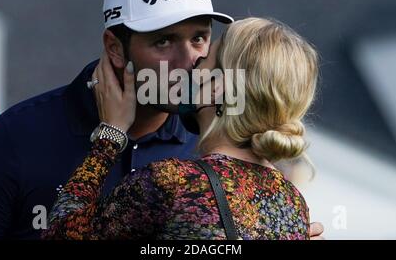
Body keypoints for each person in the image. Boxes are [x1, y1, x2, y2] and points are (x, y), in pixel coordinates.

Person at [0, 0, 323, 239]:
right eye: (164, 41)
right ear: (115, 48)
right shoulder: (12, 139)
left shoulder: (221, 144)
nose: (189, 61)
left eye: (200, 38)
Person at [43, 17, 319, 240]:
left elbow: (59, 234)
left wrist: (110, 135)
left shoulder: (172, 182)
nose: (190, 64)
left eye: (204, 60)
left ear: (218, 88)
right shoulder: (293, 204)